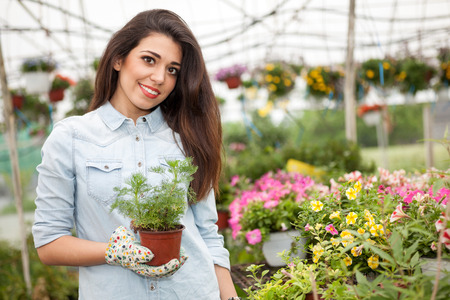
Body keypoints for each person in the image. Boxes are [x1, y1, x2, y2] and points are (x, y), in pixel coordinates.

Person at [32, 9, 240, 300]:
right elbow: (49, 243)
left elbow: (208, 236)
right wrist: (113, 252)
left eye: (172, 70)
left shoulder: (187, 139)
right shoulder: (71, 138)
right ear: (119, 59)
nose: (159, 78)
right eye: (149, 59)